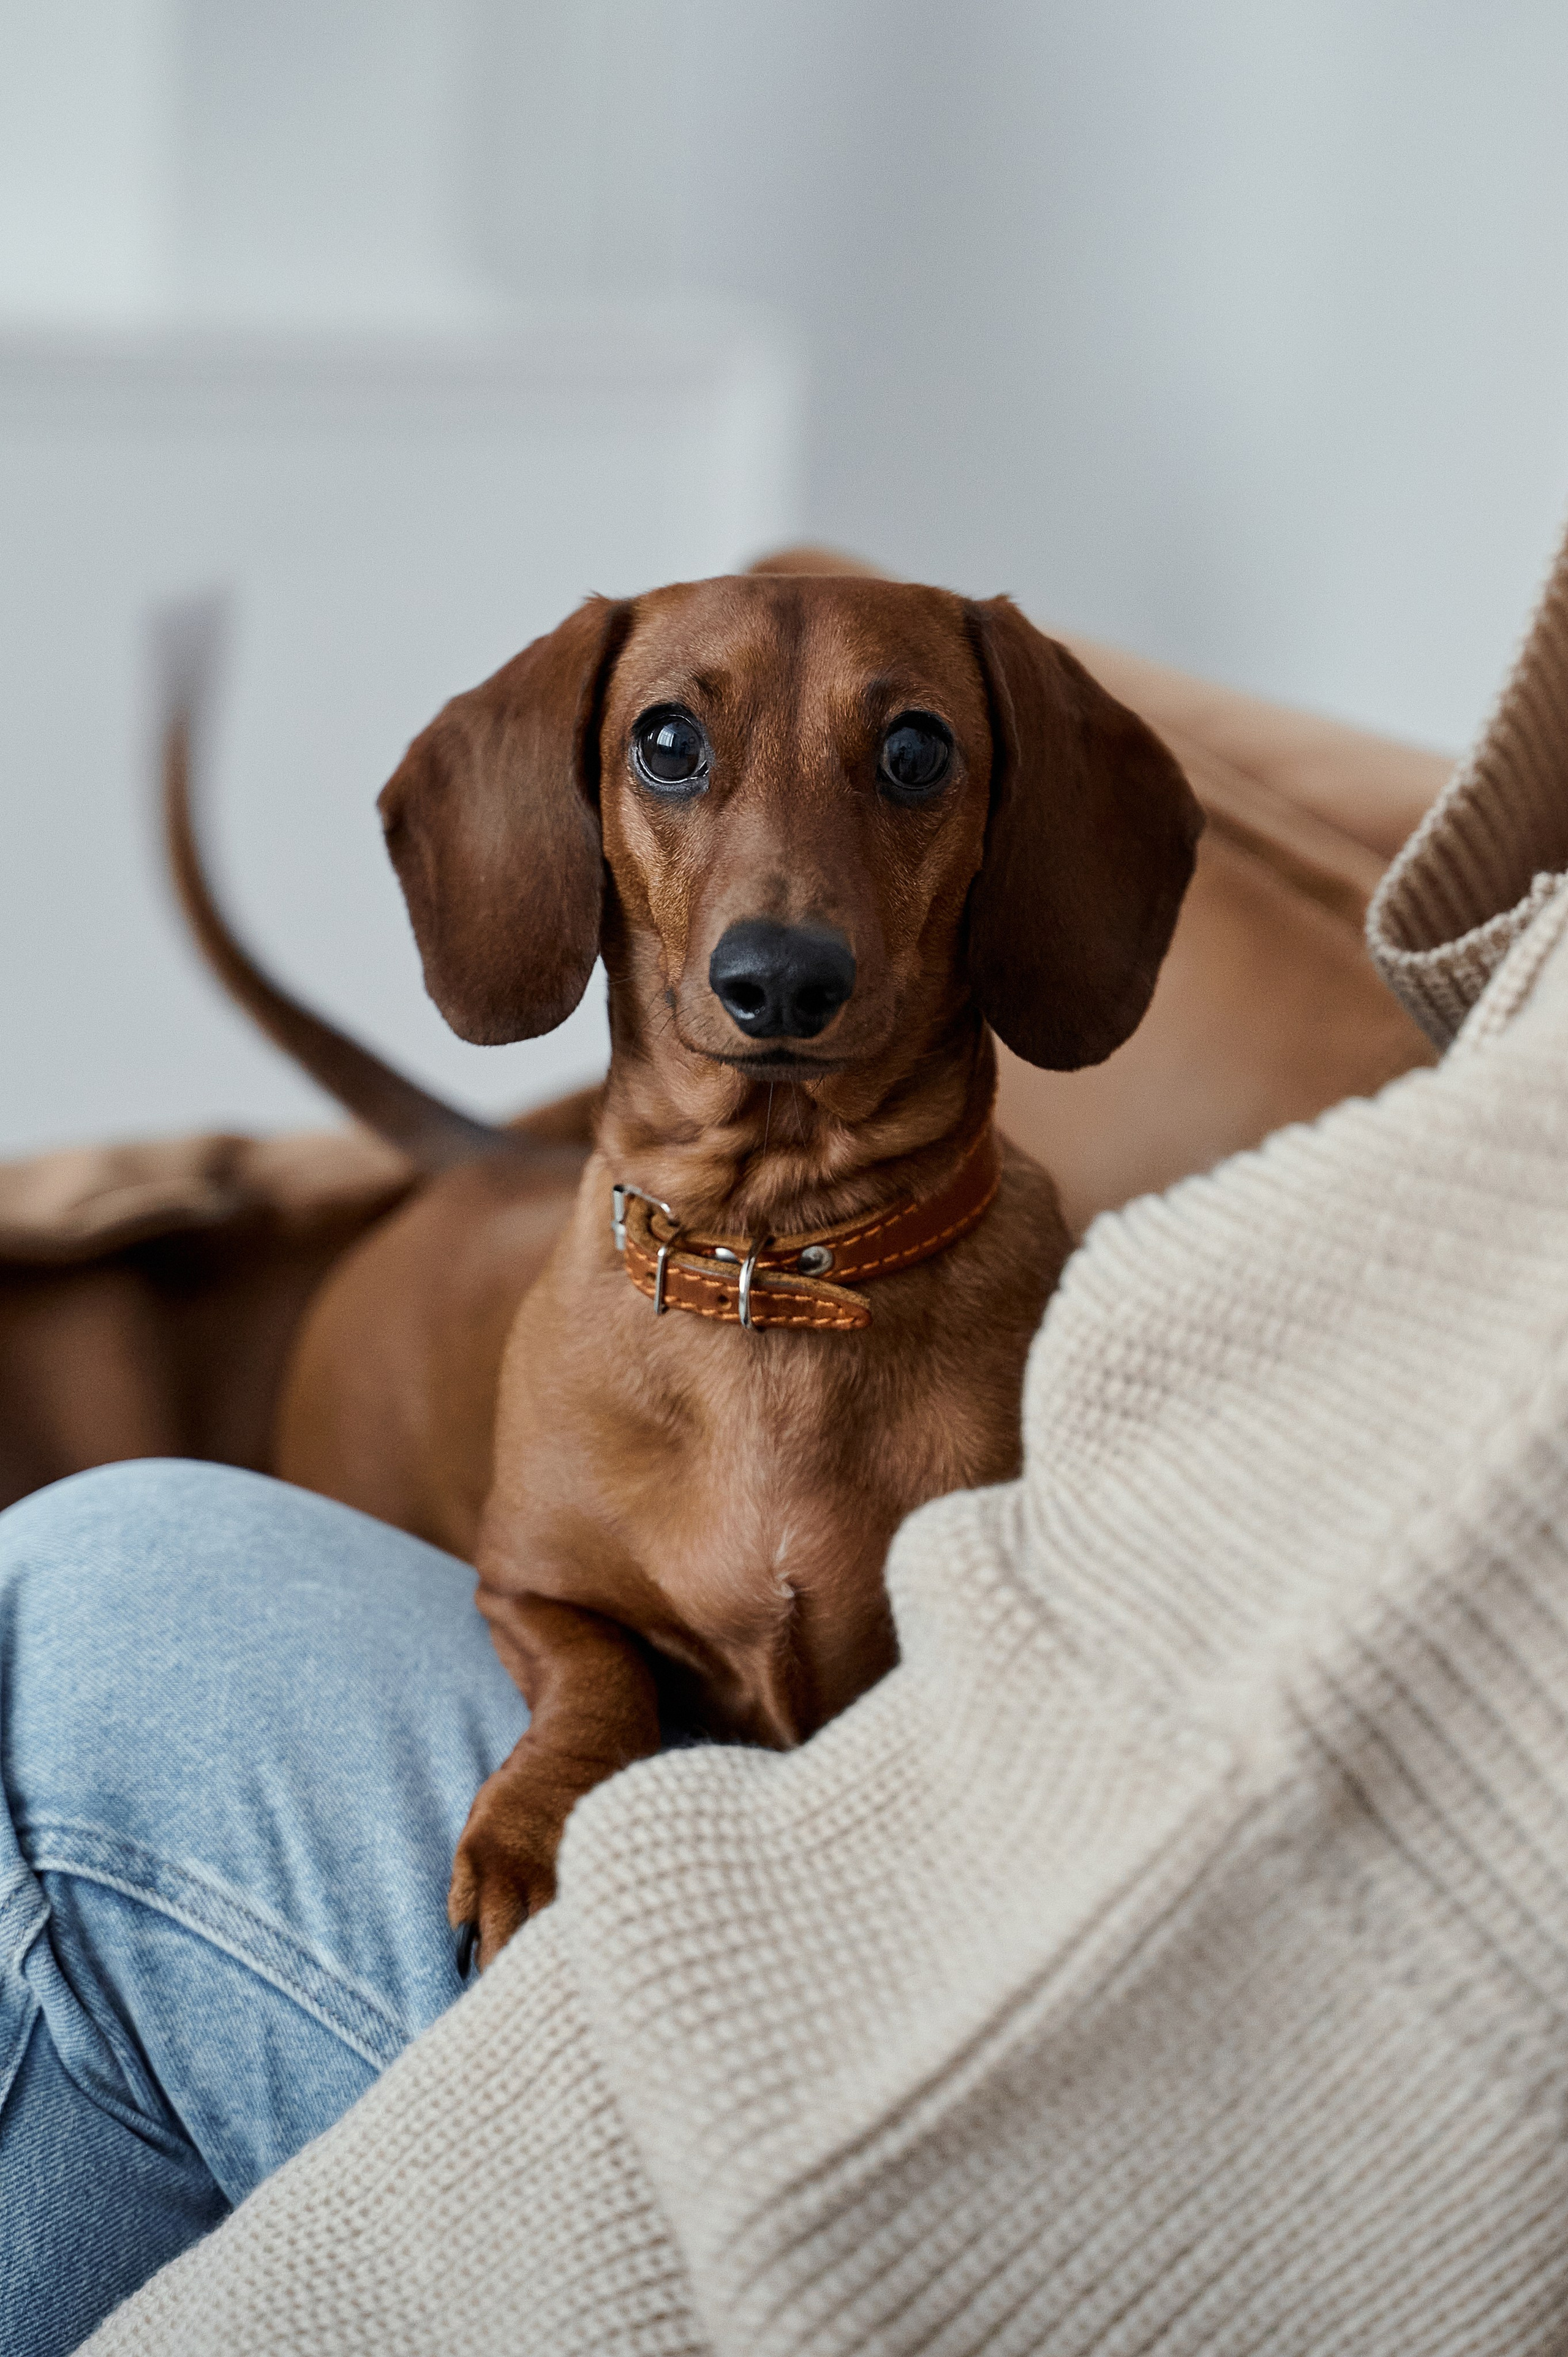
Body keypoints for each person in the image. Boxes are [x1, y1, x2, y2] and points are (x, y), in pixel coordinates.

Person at [7, 518, 1568, 2356]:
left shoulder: (1066, 1347)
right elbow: (530, 1583)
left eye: (906, 765)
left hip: (862, 2104)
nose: (784, 916)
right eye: (676, 751)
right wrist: (583, 1721)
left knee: (66, 1613)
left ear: (1009, 833)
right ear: (576, 819)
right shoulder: (554, 1334)